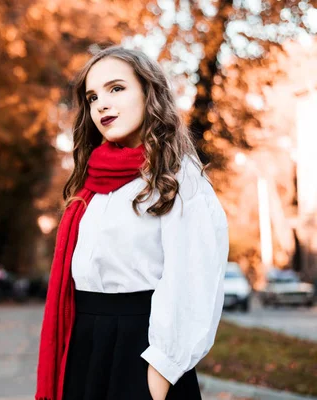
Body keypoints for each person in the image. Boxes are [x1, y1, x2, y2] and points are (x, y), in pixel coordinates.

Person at [35, 46, 229, 400]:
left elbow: (193, 281)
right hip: (84, 346)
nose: (101, 104)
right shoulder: (90, 183)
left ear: (148, 92)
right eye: (93, 97)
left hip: (142, 350)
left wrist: (160, 371)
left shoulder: (177, 180)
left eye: (116, 89)